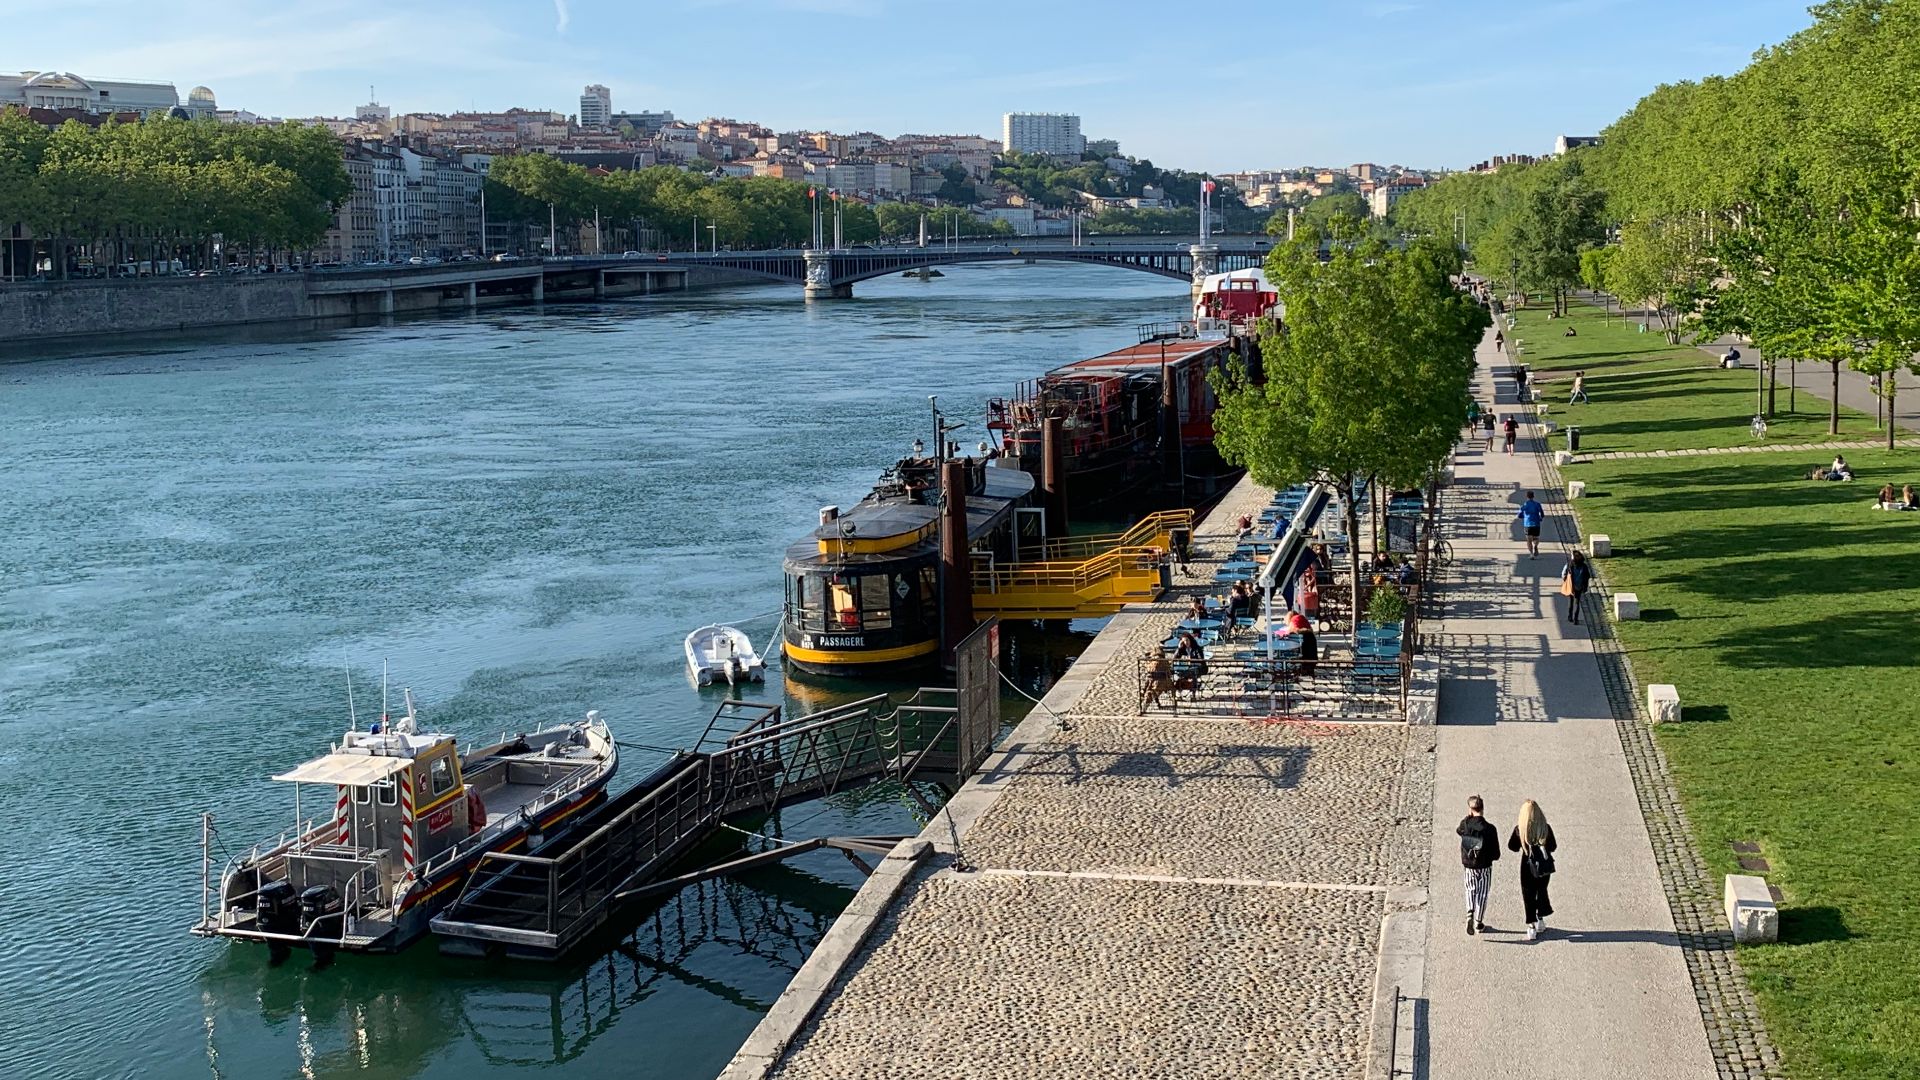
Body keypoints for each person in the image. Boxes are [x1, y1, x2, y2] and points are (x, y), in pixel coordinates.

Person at [1508, 800, 1558, 940]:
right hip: (1543, 865)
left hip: (1527, 865)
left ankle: (1531, 926)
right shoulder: (1545, 828)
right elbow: (1553, 847)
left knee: (1528, 895)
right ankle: (1540, 919)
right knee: (1541, 891)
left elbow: (1512, 846)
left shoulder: (1520, 829)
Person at [1457, 794, 1501, 935]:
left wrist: (1467, 818)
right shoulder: (1490, 829)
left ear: (1470, 809)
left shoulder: (1465, 825)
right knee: (1482, 893)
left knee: (1470, 888)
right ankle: (1478, 921)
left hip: (1469, 865)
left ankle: (1470, 911)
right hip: (1485, 866)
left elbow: (1458, 831)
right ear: (1483, 808)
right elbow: (1496, 854)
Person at [1560, 549, 1593, 624]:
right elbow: (1587, 576)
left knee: (1571, 601)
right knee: (1577, 602)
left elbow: (1563, 573)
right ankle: (1576, 619)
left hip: (1571, 585)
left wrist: (1565, 580)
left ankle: (1570, 616)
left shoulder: (1569, 564)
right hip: (1580, 586)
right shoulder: (1584, 566)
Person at [1518, 490, 1545, 558]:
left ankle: (1531, 554)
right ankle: (1535, 546)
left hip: (1528, 524)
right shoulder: (1537, 504)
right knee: (1536, 537)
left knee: (1529, 540)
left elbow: (1519, 514)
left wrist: (1522, 516)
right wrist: (1540, 518)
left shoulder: (1525, 505)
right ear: (1533, 496)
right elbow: (1542, 513)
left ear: (1527, 496)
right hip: (1536, 523)